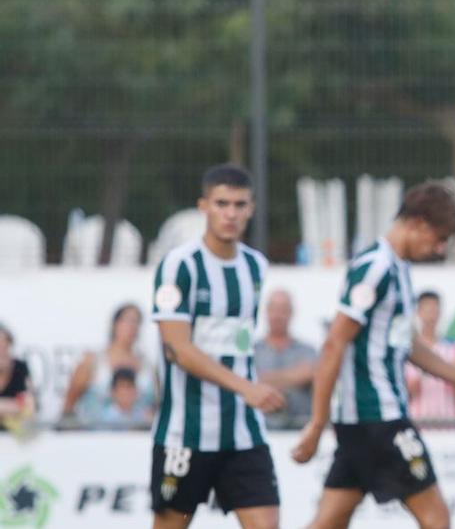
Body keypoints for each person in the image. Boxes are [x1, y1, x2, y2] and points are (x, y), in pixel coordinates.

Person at [292, 182, 455, 529]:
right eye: (438, 239)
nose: (438, 249)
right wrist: (317, 423)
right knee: (437, 519)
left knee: (329, 521)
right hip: (381, 418)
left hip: (363, 423)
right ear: (418, 223)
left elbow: (410, 346)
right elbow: (335, 343)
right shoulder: (374, 267)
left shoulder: (399, 269)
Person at [149, 164, 286, 529]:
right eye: (221, 203)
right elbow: (177, 348)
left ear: (251, 209)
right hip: (186, 433)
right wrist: (247, 388)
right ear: (203, 207)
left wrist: (250, 391)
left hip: (243, 431)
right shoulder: (180, 265)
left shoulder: (255, 267)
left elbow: (239, 342)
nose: (230, 214)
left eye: (239, 205)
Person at [62, 303, 157, 424]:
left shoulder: (147, 365)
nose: (132, 327)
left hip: (138, 437)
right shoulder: (93, 362)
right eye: (128, 321)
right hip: (97, 437)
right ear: (115, 324)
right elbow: (69, 404)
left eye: (137, 322)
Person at [403, 291, 455, 425]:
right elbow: (408, 391)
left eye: (435, 310)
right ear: (418, 313)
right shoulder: (407, 349)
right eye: (427, 310)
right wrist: (431, 368)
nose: (431, 316)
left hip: (449, 420)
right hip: (418, 422)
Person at [253, 290, 318, 429]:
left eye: (283, 310)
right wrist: (294, 376)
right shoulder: (253, 351)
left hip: (301, 428)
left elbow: (312, 374)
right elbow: (245, 381)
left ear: (291, 313)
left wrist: (264, 381)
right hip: (262, 428)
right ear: (266, 312)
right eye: (274, 309)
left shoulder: (307, 350)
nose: (277, 316)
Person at [0, 324, 35, 430]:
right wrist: (12, 405)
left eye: (4, 346)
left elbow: (29, 405)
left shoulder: (20, 368)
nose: (1, 351)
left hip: (15, 431)